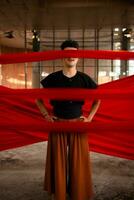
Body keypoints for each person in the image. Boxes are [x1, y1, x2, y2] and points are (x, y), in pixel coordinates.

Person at [36, 39, 101, 200]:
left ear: (78, 57)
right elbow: (37, 98)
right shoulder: (52, 78)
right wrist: (46, 115)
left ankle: (77, 193)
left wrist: (90, 118)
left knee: (78, 162)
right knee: (58, 162)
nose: (71, 56)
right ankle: (58, 194)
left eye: (74, 53)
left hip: (78, 124)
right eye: (67, 53)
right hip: (57, 123)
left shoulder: (85, 79)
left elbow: (98, 99)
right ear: (61, 56)